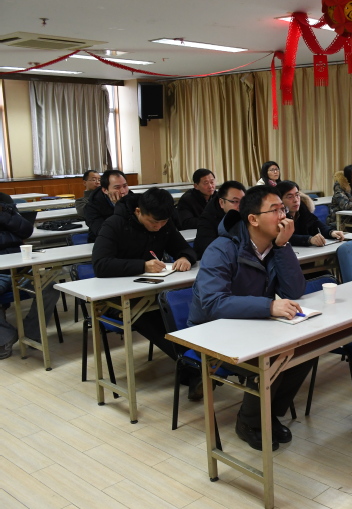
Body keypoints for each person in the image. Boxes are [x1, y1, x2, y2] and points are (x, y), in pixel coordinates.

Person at [187, 185, 314, 452]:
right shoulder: (222, 249)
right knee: (273, 358)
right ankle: (248, 422)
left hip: (250, 323)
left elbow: (294, 290)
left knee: (305, 349)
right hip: (212, 332)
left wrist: (283, 246)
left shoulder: (274, 246)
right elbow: (212, 303)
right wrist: (269, 306)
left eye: (283, 209)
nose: (283, 216)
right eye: (275, 210)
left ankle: (267, 414)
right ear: (253, 219)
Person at [92, 189, 198, 392]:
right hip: (116, 298)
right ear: (138, 211)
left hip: (151, 291)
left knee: (183, 309)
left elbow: (185, 248)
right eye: (153, 223)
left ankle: (195, 366)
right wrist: (142, 266)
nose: (158, 227)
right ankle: (193, 369)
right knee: (151, 316)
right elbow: (101, 265)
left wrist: (185, 257)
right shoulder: (115, 224)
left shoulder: (164, 224)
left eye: (163, 223)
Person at [0, 193, 61, 359]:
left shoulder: (4, 202)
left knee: (50, 289)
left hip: (21, 269)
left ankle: (31, 333)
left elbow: (26, 230)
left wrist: (3, 214)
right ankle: (6, 335)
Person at [276, 180, 344, 246]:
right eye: (290, 197)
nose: (296, 200)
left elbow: (316, 224)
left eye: (297, 195)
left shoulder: (302, 208)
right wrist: (309, 239)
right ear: (279, 200)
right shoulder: (276, 216)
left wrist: (331, 232)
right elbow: (285, 237)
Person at [194, 180, 246, 259]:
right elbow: (211, 250)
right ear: (221, 202)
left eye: (243, 201)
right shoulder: (207, 220)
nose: (240, 206)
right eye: (235, 201)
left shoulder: (248, 215)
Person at [84, 169, 131, 242]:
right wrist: (119, 207)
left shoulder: (134, 200)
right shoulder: (92, 207)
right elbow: (104, 232)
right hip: (102, 243)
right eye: (117, 187)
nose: (123, 191)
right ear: (105, 190)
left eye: (125, 186)